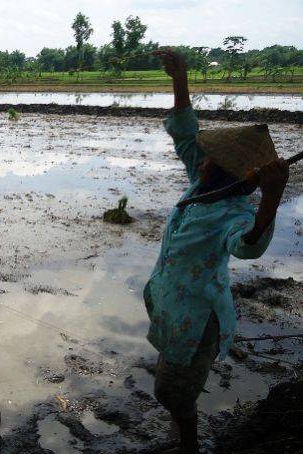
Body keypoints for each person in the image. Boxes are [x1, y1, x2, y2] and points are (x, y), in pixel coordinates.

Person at [144, 50, 289, 453]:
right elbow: (187, 133)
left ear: (223, 169)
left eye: (209, 157)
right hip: (173, 302)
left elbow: (247, 246)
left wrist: (272, 198)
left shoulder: (235, 210)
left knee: (173, 392)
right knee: (171, 377)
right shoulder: (204, 183)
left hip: (198, 317)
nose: (200, 157)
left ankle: (188, 443)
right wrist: (180, 79)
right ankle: (181, 431)